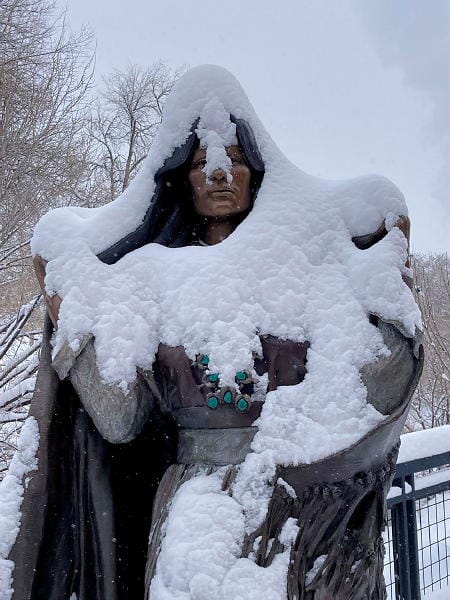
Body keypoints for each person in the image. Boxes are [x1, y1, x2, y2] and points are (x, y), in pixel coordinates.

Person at [8, 66, 423, 600]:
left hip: (301, 515)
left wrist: (389, 295)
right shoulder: (150, 277)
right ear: (181, 177)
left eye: (236, 159)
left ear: (259, 172)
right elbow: (120, 420)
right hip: (196, 515)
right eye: (202, 162)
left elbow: (374, 392)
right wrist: (72, 325)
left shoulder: (308, 269)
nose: (221, 172)